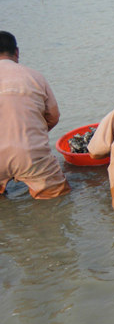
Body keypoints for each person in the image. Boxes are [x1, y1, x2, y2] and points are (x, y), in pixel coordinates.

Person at [0, 31, 70, 199]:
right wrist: (30, 134)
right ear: (16, 52)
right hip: (30, 155)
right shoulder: (34, 76)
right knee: (57, 198)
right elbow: (53, 117)